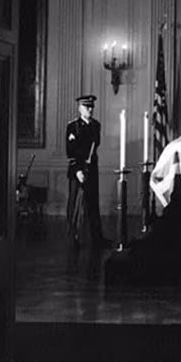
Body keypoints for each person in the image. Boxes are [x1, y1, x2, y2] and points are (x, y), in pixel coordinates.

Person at [65, 94, 109, 248]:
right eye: (86, 107)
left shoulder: (96, 125)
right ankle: (73, 237)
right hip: (77, 169)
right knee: (74, 204)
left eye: (91, 107)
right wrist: (78, 171)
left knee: (92, 203)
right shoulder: (72, 126)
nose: (90, 109)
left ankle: (97, 238)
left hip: (91, 169)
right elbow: (71, 151)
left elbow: (95, 146)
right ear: (80, 108)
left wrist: (88, 167)